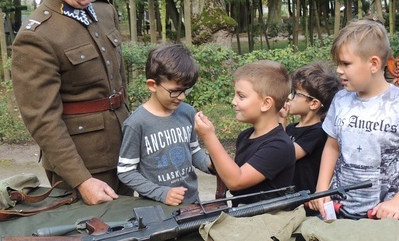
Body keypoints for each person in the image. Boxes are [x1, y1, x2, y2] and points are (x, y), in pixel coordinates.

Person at [12, 0, 131, 205]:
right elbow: (43, 119)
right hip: (83, 161)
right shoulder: (37, 36)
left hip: (124, 148)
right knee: (88, 240)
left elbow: (120, 83)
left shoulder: (103, 11)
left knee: (132, 230)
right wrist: (81, 179)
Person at [310, 19, 399, 220]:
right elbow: (332, 146)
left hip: (380, 218)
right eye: (338, 64)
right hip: (338, 210)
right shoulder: (341, 99)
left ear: (374, 64)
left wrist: (398, 202)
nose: (339, 71)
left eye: (346, 63)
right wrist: (321, 189)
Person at [117, 44, 213, 205]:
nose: (181, 97)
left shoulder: (187, 112)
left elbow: (193, 150)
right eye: (175, 91)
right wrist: (162, 193)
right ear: (152, 85)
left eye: (186, 90)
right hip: (156, 208)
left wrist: (211, 165)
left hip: (192, 204)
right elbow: (126, 172)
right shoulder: (136, 123)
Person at [194, 60, 295, 200]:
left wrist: (209, 137)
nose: (233, 101)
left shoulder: (279, 146)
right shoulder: (245, 135)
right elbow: (232, 172)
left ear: (266, 103)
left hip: (266, 218)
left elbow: (236, 181)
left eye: (241, 96)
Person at [278, 61, 341, 192]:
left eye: (296, 93)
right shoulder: (291, 128)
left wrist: (282, 120)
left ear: (314, 103)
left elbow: (285, 155)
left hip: (305, 203)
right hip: (289, 198)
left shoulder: (318, 132)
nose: (290, 96)